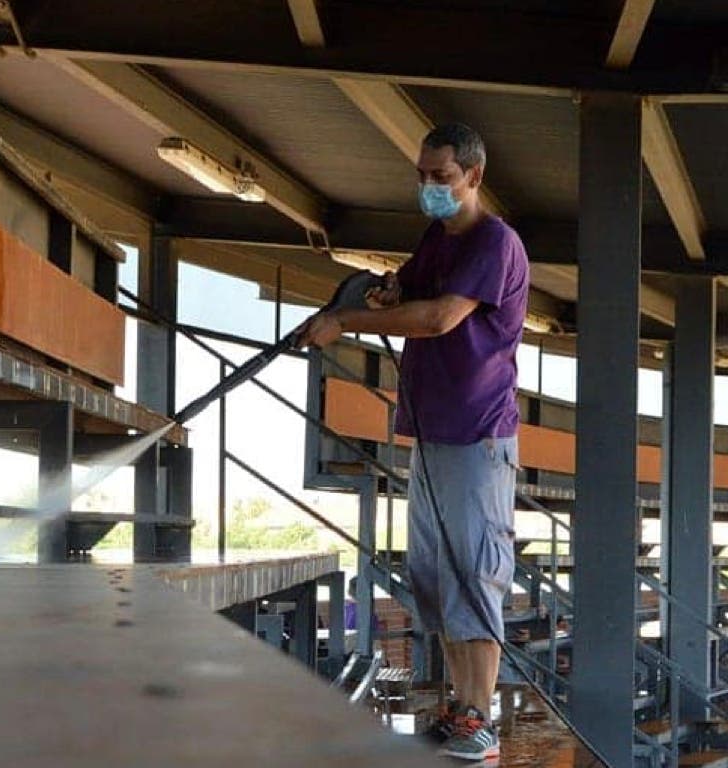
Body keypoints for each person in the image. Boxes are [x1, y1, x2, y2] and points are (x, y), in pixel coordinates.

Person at [298, 123, 528, 762]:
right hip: (430, 433)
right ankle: (461, 709)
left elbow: (438, 317)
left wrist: (345, 320)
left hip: (476, 434)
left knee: (474, 575)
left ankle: (479, 721)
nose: (429, 187)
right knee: (436, 576)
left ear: (473, 177)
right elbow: (412, 292)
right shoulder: (437, 237)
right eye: (423, 176)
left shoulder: (493, 242)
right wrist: (385, 291)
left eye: (441, 178)